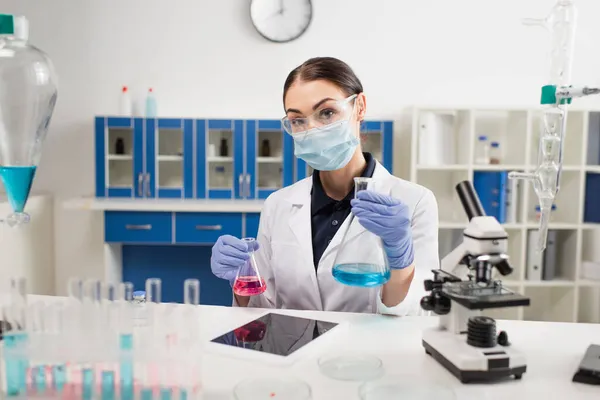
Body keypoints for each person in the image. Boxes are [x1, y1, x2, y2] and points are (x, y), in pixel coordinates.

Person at [211, 57, 439, 315]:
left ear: (359, 107)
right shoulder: (278, 205)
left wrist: (401, 261)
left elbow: (420, 314)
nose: (313, 130)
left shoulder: (414, 201)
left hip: (367, 354)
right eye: (298, 120)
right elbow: (263, 310)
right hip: (292, 353)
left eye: (327, 113)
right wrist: (242, 280)